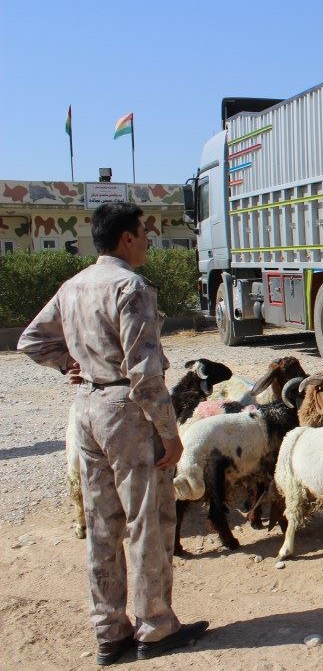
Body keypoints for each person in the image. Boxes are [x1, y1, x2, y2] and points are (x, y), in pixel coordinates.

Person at [18, 202, 208, 665]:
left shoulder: (73, 286)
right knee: (147, 519)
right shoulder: (131, 286)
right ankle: (156, 627)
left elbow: (31, 340)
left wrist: (72, 363)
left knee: (102, 524)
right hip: (127, 411)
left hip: (86, 409)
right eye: (144, 232)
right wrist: (170, 432)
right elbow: (144, 375)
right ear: (126, 238)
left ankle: (109, 632)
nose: (148, 239)